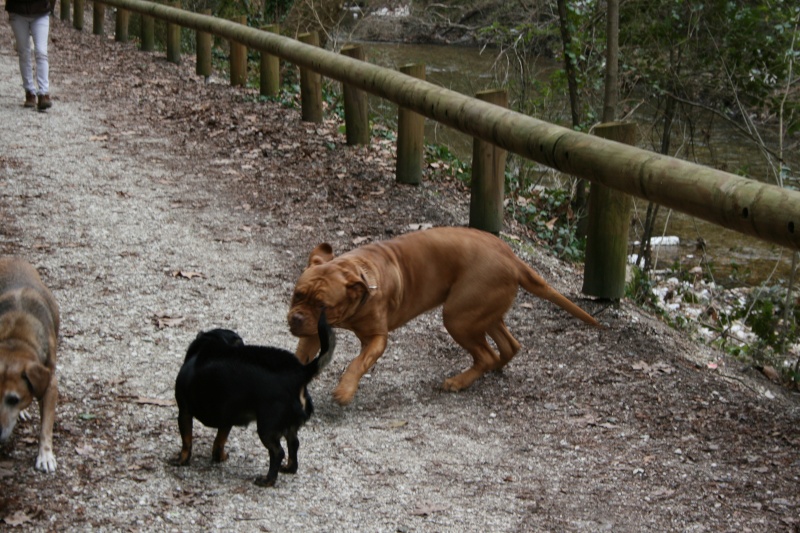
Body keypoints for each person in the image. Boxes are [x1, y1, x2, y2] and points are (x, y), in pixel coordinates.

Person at [5, 0, 53, 110]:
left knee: (41, 52)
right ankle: (29, 92)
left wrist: (50, 5)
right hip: (17, 12)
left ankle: (44, 93)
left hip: (41, 11)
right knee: (24, 52)